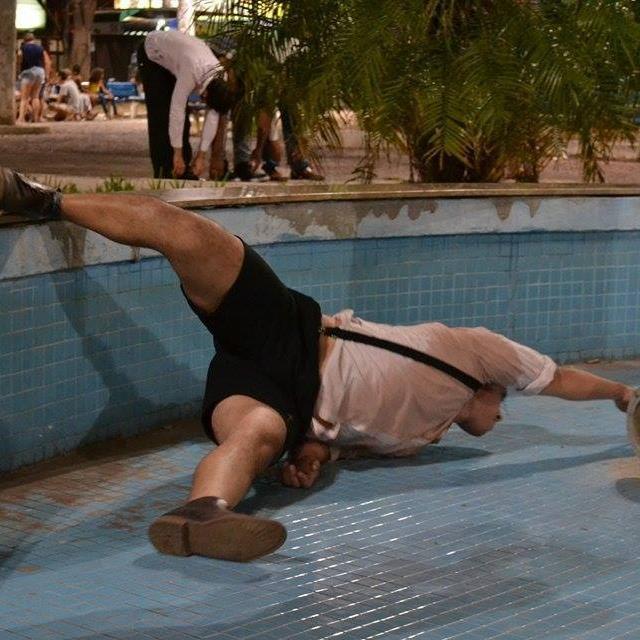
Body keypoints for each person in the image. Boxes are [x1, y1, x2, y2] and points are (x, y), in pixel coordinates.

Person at [0, 167, 636, 563]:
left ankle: (201, 512)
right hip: (297, 335)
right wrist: (622, 394)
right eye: (505, 404)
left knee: (257, 436)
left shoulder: (421, 436)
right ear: (493, 387)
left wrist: (311, 455)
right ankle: (37, 197)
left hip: (282, 398)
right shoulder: (478, 351)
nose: (501, 418)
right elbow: (557, 379)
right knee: (193, 237)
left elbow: (337, 433)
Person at [137, 30, 239, 180]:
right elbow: (176, 110)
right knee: (161, 115)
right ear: (206, 95)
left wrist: (201, 155)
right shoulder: (192, 70)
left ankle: (183, 168)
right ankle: (165, 170)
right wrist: (177, 154)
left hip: (177, 56)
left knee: (185, 121)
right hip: (152, 53)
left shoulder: (220, 77)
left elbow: (213, 117)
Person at [16, 33, 51, 123]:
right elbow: (47, 61)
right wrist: (47, 75)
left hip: (28, 72)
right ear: (34, 40)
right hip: (40, 71)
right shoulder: (40, 48)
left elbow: (19, 59)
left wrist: (19, 69)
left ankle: (21, 118)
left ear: (24, 41)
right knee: (35, 97)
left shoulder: (23, 48)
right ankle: (36, 118)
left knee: (24, 98)